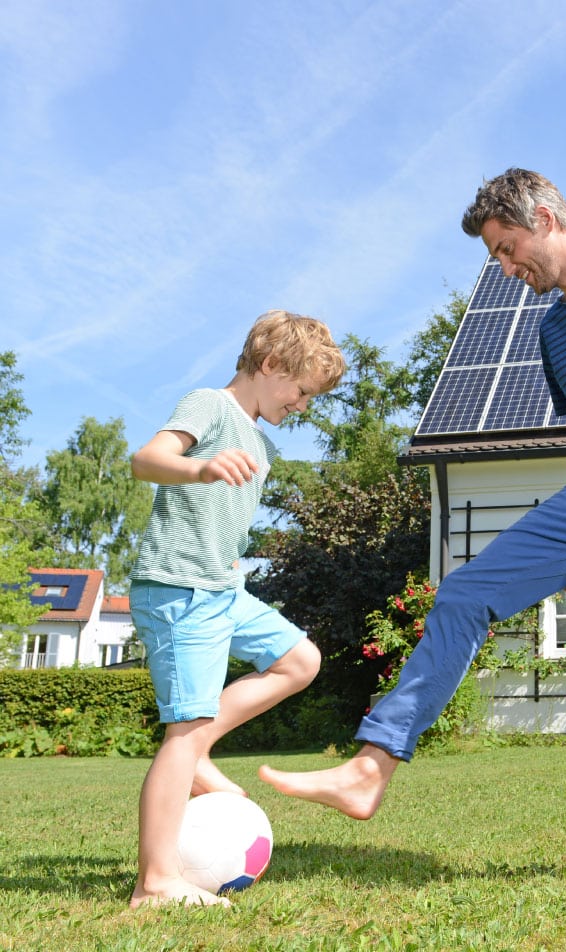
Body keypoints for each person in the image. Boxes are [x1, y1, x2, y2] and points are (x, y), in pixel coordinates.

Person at [259, 169, 566, 885]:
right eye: (497, 257)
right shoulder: (554, 329)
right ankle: (370, 768)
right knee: (461, 595)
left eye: (508, 248)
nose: (507, 268)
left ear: (546, 219)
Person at [128, 309, 346, 907]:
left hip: (221, 589)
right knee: (185, 727)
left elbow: (220, 522)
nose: (302, 405)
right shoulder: (210, 404)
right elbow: (146, 459)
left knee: (299, 660)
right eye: (300, 391)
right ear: (271, 365)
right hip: (179, 588)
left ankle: (195, 751)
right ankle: (156, 881)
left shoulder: (257, 438)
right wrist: (199, 466)